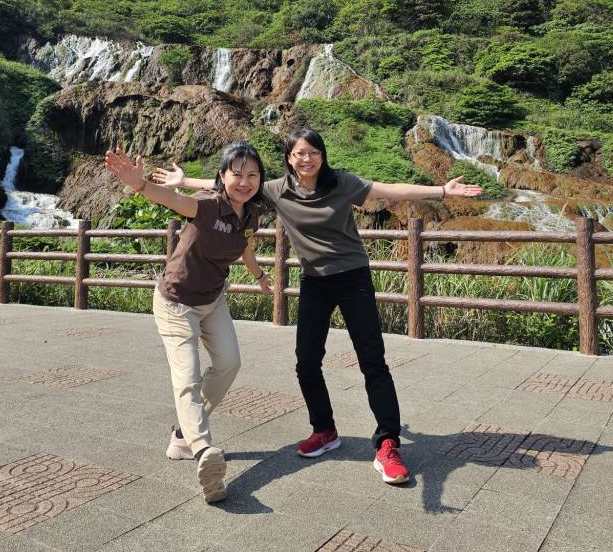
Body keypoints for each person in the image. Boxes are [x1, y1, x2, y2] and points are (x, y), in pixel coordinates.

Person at [153, 127, 482, 485]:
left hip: (353, 277)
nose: (306, 159)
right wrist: (184, 181)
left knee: (372, 360)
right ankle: (324, 430)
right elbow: (231, 183)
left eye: (312, 152)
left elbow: (390, 190)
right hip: (314, 282)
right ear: (289, 159)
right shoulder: (276, 189)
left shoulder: (341, 183)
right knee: (307, 362)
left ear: (322, 155)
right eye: (298, 153)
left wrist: (442, 190)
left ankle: (388, 443)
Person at [105, 141, 272, 503]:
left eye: (252, 175)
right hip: (176, 302)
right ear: (222, 176)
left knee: (229, 363)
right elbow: (171, 200)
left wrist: (258, 275)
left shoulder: (251, 214)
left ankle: (182, 435)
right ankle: (202, 448)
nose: (244, 181)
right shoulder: (207, 205)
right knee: (187, 377)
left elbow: (244, 244)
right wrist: (140, 184)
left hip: (212, 300)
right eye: (237, 174)